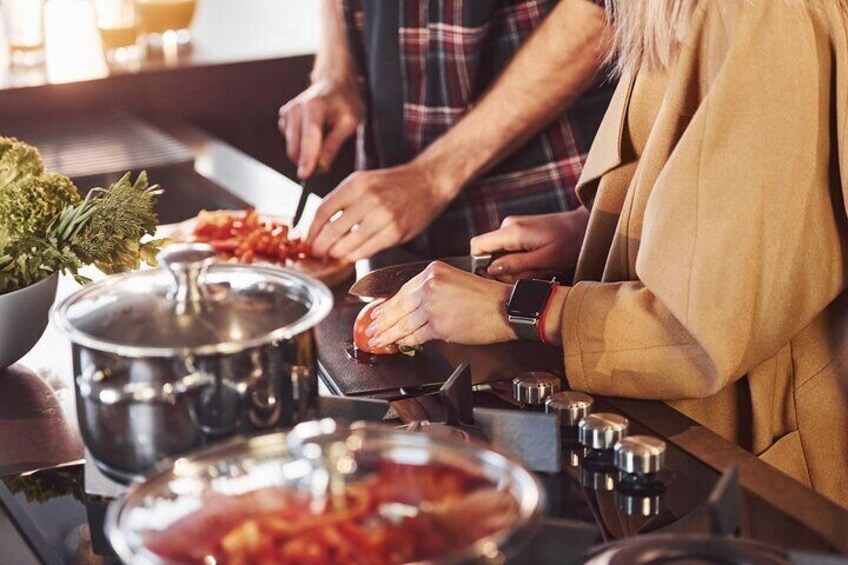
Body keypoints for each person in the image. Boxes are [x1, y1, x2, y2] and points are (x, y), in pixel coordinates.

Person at [367, 0, 848, 509]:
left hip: (749, 474)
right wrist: (596, 230)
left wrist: (513, 309)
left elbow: (698, 330)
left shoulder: (766, 14)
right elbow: (755, 205)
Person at [279, 0, 614, 262]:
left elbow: (611, 10)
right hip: (390, 221)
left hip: (542, 216)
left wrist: (430, 177)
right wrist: (335, 73)